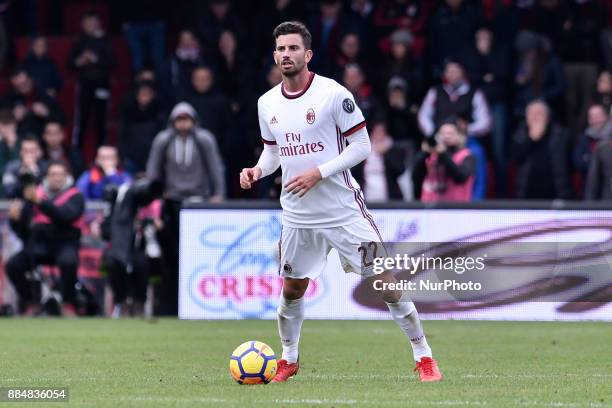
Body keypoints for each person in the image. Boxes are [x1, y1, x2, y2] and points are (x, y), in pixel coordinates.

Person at [239, 21, 442, 383]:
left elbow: (361, 147)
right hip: (298, 215)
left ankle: (423, 355)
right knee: (292, 289)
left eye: (293, 48)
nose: (287, 54)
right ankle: (288, 358)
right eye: (281, 49)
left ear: (308, 54)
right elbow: (273, 155)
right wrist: (256, 170)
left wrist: (319, 172)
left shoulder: (333, 95)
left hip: (343, 211)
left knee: (386, 284)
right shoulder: (266, 103)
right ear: (275, 55)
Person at [146, 102, 225, 315]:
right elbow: (153, 172)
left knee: (197, 252)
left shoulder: (204, 139)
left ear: (194, 120)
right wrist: (153, 202)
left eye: (186, 119)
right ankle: (170, 303)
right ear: (173, 121)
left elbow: (215, 167)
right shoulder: (163, 140)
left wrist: (218, 194)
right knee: (170, 253)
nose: (183, 124)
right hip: (171, 199)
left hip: (198, 201)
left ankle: (199, 298)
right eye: (179, 120)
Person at [6, 160, 85, 316]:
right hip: (39, 246)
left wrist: (40, 202)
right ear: (47, 177)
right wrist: (15, 220)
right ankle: (31, 301)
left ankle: (68, 303)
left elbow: (65, 216)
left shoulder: (75, 196)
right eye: (53, 174)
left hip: (65, 244)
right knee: (13, 265)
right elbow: (24, 231)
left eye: (60, 174)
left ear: (67, 176)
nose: (56, 178)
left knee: (68, 262)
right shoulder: (34, 195)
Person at [68, 11, 115, 149]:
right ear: (83, 25)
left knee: (101, 120)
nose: (90, 26)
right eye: (87, 23)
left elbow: (112, 62)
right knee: (82, 120)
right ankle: (77, 154)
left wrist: (95, 59)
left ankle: (103, 152)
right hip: (84, 85)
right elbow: (70, 63)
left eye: (93, 22)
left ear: (98, 23)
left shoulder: (105, 40)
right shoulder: (79, 41)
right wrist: (80, 61)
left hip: (102, 85)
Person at [512, 100, 572, 200]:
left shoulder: (561, 135)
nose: (535, 117)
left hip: (556, 196)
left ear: (548, 117)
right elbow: (516, 158)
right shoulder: (520, 134)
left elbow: (569, 164)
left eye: (539, 113)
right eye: (531, 113)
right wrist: (531, 140)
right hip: (526, 196)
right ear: (526, 117)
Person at [412, 117, 476, 202]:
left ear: (459, 136)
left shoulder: (467, 156)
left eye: (450, 133)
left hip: (455, 210)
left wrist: (443, 154)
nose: (446, 137)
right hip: (429, 209)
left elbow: (461, 177)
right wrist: (425, 152)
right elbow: (415, 177)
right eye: (442, 133)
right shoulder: (431, 156)